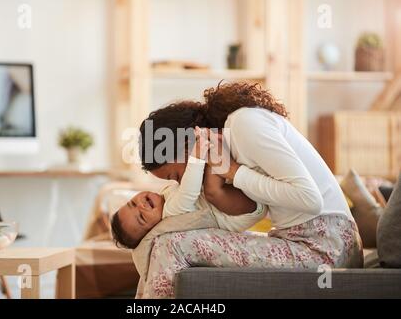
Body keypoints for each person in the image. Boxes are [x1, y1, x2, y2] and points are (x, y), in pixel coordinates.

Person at [136, 82, 363, 298]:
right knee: (165, 242)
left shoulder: (244, 123)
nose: (180, 184)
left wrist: (234, 172)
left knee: (172, 245)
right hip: (305, 242)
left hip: (326, 249)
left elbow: (311, 199)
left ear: (187, 143)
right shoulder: (231, 139)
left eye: (175, 176)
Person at [111, 127, 267, 249]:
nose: (141, 205)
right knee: (211, 188)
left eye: (132, 203)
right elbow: (189, 191)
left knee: (211, 181)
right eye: (142, 217)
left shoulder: (165, 198)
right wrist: (197, 156)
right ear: (152, 229)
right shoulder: (170, 212)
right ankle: (213, 141)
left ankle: (213, 141)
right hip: (239, 212)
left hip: (233, 202)